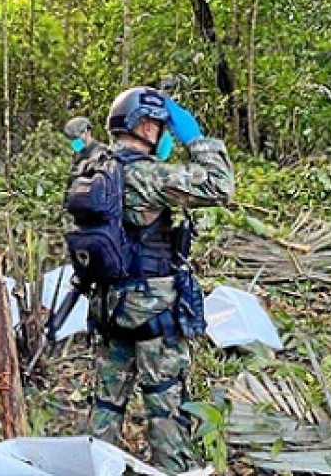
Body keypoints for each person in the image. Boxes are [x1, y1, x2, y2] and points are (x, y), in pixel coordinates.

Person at [87, 86, 233, 472]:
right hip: (152, 311)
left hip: (108, 305)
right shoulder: (147, 175)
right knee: (164, 403)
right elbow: (220, 186)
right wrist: (197, 141)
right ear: (146, 125)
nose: (164, 134)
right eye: (161, 126)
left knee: (106, 403)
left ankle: (95, 466)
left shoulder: (95, 167)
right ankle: (174, 468)